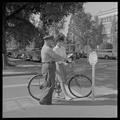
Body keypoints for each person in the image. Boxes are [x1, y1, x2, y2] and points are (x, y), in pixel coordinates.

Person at [40, 35, 68, 105]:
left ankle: (47, 100)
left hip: (48, 65)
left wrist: (62, 59)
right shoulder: (47, 48)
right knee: (50, 84)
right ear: (46, 41)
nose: (52, 42)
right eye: (50, 41)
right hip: (49, 66)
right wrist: (64, 59)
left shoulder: (45, 47)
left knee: (49, 83)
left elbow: (54, 57)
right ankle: (44, 100)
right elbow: (55, 56)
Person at [53, 35, 74, 100]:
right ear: (57, 42)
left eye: (62, 41)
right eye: (60, 41)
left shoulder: (63, 48)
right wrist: (64, 61)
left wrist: (69, 59)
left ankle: (57, 94)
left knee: (60, 80)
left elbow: (64, 57)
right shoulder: (55, 49)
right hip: (58, 65)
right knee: (61, 81)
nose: (61, 43)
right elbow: (57, 59)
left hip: (63, 65)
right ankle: (66, 95)